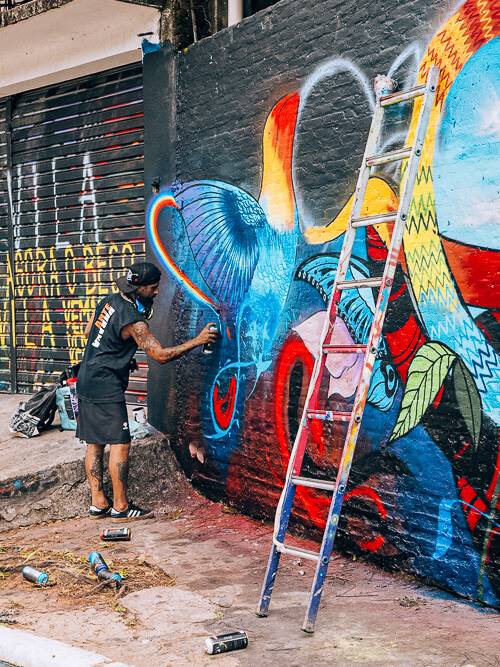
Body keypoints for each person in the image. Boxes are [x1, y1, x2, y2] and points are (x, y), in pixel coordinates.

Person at [76, 261, 218, 521]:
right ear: (138, 288)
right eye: (152, 288)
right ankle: (121, 506)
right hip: (106, 385)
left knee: (94, 443)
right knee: (120, 443)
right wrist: (198, 341)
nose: (156, 292)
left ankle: (98, 503)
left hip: (87, 378)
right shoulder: (134, 320)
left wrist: (118, 352)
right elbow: (160, 355)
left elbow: (90, 331)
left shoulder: (108, 301)